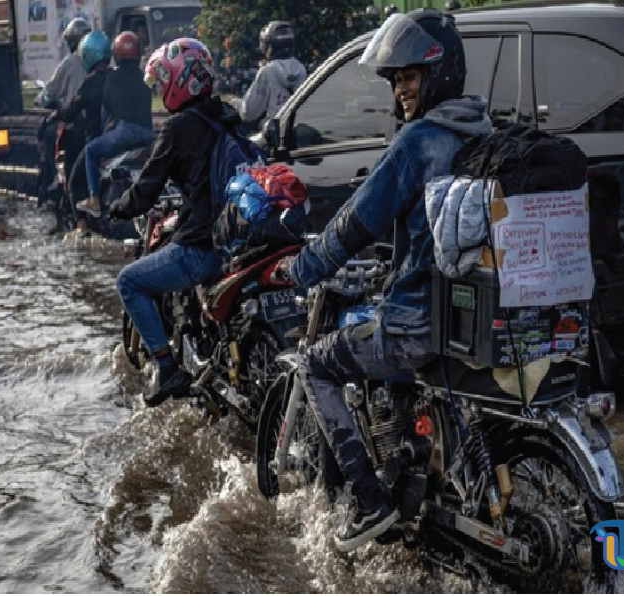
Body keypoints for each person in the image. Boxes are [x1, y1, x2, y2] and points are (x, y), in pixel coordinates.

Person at [272, 9, 492, 552]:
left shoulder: (419, 143)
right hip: (473, 314)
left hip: (419, 319)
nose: (400, 93)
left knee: (318, 362)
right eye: (394, 81)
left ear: (437, 74)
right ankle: (412, 466)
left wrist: (301, 268)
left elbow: (354, 223)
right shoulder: (483, 129)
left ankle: (373, 504)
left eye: (409, 78)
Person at [106, 38, 243, 406]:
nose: (161, 89)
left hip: (201, 247)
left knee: (129, 282)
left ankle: (168, 369)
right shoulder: (226, 117)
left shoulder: (179, 126)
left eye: (165, 81)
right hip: (235, 240)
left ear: (180, 82)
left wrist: (115, 207)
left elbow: (146, 190)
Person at [74, 32, 155, 219]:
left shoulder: (113, 77)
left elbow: (106, 110)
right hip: (147, 134)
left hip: (124, 133)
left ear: (116, 53)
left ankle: (94, 199)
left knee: (91, 151)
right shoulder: (144, 78)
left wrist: (103, 132)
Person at [46, 30, 112, 234]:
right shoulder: (114, 77)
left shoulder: (91, 82)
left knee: (75, 182)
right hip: (117, 137)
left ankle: (81, 226)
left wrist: (56, 115)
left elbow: (73, 107)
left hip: (95, 137)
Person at [35, 17, 90, 202]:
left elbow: (49, 93)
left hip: (75, 121)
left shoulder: (69, 63)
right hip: (100, 121)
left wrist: (42, 99)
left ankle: (57, 178)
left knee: (49, 133)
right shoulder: (105, 64)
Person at [232, 21, 307, 124]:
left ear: (269, 45)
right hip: (298, 130)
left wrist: (233, 101)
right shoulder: (301, 69)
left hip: (277, 132)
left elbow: (248, 112)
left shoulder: (267, 71)